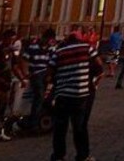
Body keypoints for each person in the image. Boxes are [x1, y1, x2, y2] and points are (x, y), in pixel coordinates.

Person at [47, 27, 103, 161]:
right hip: (80, 93)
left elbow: (49, 74)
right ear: (79, 39)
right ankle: (82, 155)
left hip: (62, 94)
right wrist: (90, 78)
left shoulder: (58, 51)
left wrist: (58, 82)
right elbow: (100, 67)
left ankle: (58, 155)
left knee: (60, 127)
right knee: (80, 126)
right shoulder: (87, 48)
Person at [21, 28, 57, 131]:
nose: (49, 41)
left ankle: (48, 112)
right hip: (36, 73)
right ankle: (33, 121)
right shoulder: (33, 47)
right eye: (48, 39)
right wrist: (26, 73)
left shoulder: (51, 49)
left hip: (47, 74)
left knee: (52, 94)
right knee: (39, 96)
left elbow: (53, 62)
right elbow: (24, 60)